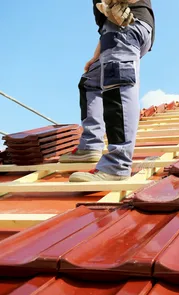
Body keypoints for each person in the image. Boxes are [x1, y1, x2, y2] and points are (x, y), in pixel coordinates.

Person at [60, 0, 155, 182]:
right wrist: (97, 54)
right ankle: (90, 145)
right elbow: (107, 22)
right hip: (114, 30)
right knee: (90, 81)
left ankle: (117, 165)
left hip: (128, 25)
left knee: (117, 82)